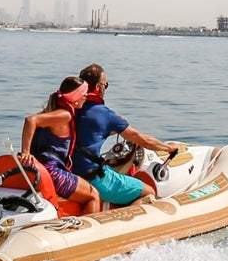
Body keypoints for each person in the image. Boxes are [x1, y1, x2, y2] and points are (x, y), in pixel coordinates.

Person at [70, 63, 177, 206]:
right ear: (97, 87)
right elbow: (143, 140)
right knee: (148, 191)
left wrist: (111, 129)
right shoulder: (104, 114)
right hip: (92, 177)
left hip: (70, 173)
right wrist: (168, 148)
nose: (105, 88)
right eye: (105, 85)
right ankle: (125, 221)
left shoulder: (70, 108)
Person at [20, 76, 101, 215]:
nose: (86, 97)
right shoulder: (64, 115)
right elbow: (30, 120)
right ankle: (88, 233)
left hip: (43, 168)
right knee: (93, 195)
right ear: (75, 96)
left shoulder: (55, 111)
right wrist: (25, 152)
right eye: (84, 94)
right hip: (52, 172)